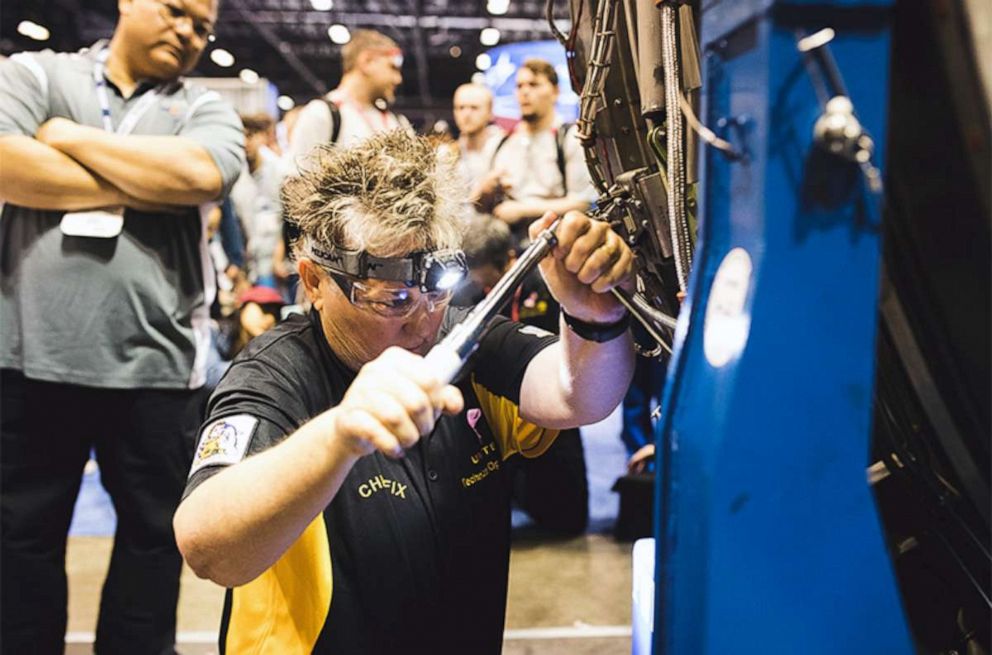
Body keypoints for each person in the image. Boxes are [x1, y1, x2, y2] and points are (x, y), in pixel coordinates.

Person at [173, 129, 635, 653]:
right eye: (391, 299)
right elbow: (209, 549)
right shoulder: (276, 374)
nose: (421, 323)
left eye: (435, 290)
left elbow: (580, 397)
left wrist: (594, 317)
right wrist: (338, 437)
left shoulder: (463, 339)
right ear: (314, 282)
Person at [0, 0, 245, 651]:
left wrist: (69, 139)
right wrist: (145, 180)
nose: (189, 32)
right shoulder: (37, 73)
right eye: (177, 11)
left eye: (202, 26)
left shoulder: (204, 104)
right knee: (18, 550)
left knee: (152, 549)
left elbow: (202, 174)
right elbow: (6, 165)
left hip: (159, 368)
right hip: (28, 361)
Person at [458, 217, 590, 534]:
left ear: (505, 259)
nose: (477, 282)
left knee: (566, 517)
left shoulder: (547, 279)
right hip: (502, 404)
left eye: (482, 273)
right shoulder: (469, 293)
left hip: (550, 391)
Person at [477, 58, 598, 245]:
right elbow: (481, 205)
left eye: (534, 84)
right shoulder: (501, 143)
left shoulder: (569, 138)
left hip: (556, 243)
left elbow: (582, 202)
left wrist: (522, 209)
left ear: (555, 92)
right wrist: (486, 189)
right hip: (507, 248)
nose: (525, 92)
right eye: (519, 86)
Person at [285, 28, 411, 168]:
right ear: (367, 61)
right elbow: (296, 183)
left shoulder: (397, 123)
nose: (398, 79)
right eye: (392, 68)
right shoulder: (322, 114)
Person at [230, 112, 287, 287]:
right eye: (239, 137)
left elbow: (290, 219)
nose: (245, 143)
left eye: (250, 136)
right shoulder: (235, 176)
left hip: (277, 266)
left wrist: (280, 255)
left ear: (261, 137)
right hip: (247, 266)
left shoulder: (280, 171)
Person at [450, 82, 505, 215]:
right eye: (460, 108)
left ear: (490, 111)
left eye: (474, 108)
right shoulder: (447, 154)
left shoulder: (504, 148)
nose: (466, 114)